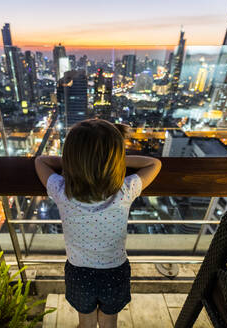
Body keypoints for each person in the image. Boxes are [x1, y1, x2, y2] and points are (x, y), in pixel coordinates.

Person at [35, 119, 161, 328]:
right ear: (115, 159)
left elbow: (40, 161)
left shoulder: (61, 191)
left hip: (79, 272)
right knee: (109, 323)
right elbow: (154, 164)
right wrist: (117, 161)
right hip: (115, 271)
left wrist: (75, 161)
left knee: (85, 323)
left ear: (71, 159)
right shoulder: (125, 191)